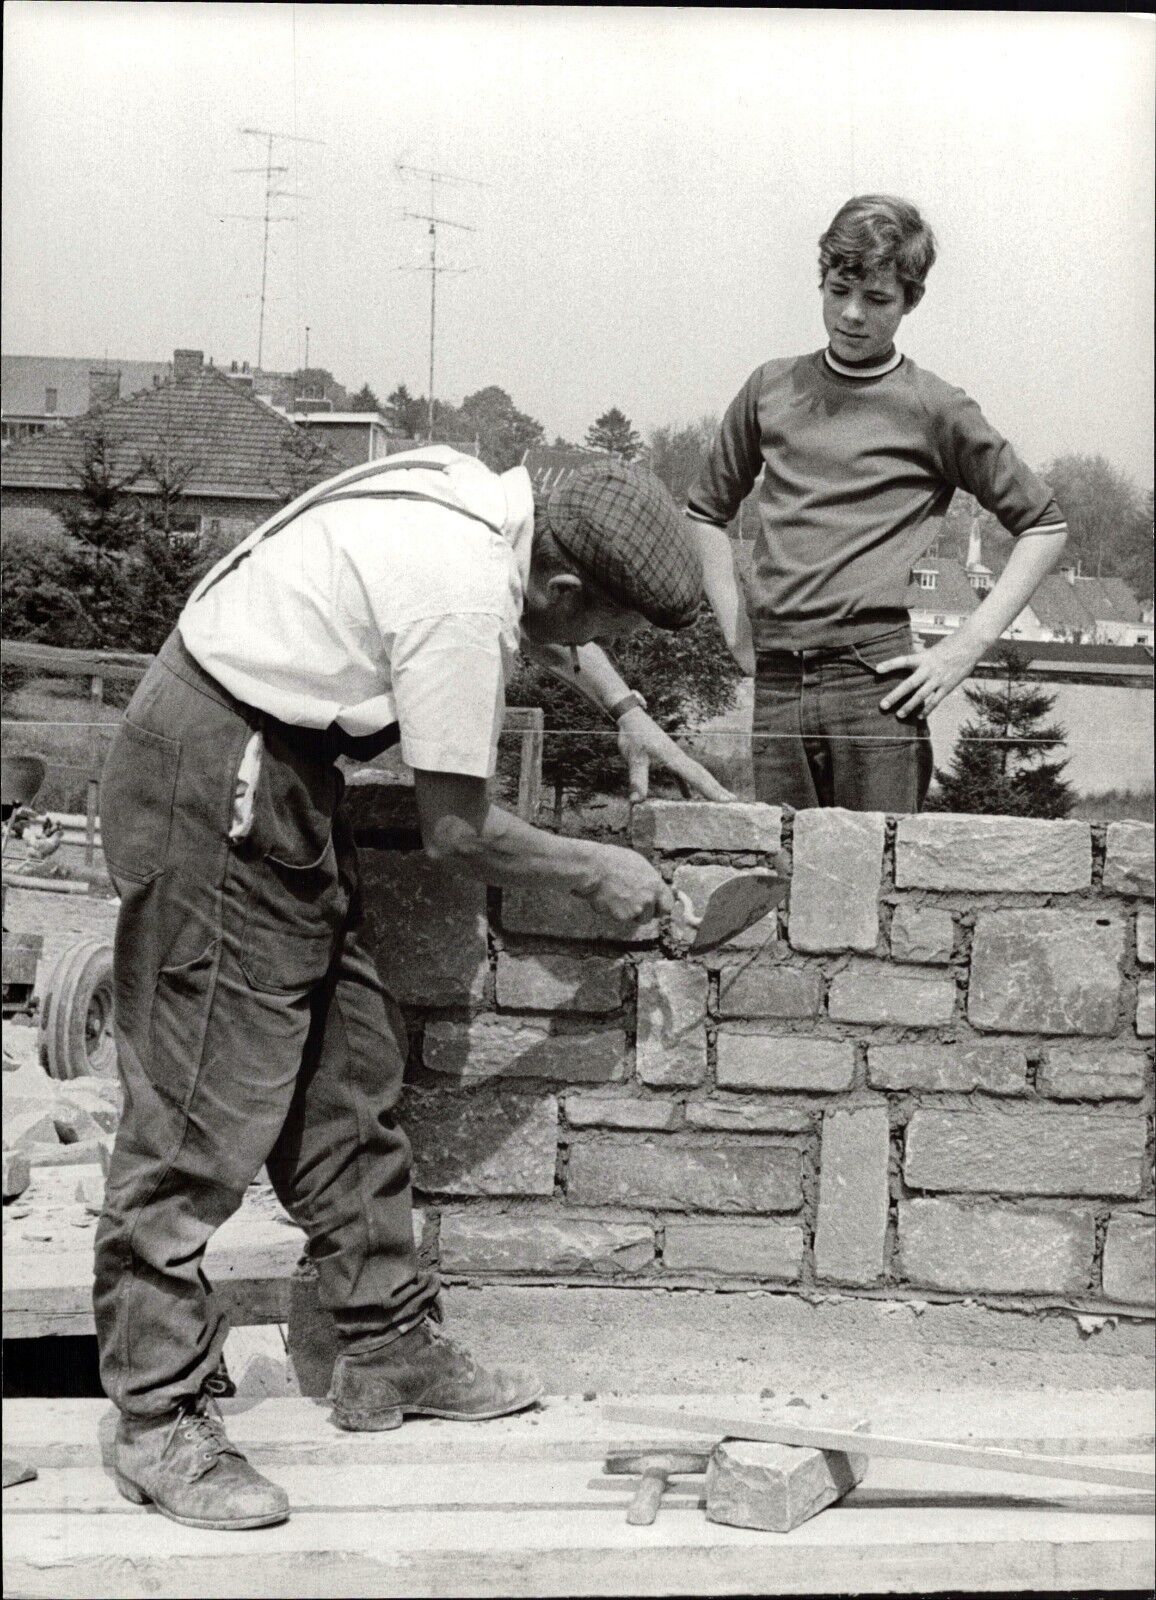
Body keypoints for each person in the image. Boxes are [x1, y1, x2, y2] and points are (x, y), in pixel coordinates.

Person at [93, 446, 732, 1531]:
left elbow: (537, 613)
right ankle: (156, 1417)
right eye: (598, 633)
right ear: (563, 590)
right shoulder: (460, 594)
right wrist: (599, 871)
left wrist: (624, 706)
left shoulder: (480, 499)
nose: (587, 650)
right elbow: (456, 827)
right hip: (216, 777)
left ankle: (384, 1347)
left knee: (347, 1072)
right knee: (200, 1108)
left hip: (277, 772)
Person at [685, 193, 1069, 812]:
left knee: (878, 883)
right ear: (823, 282)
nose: (853, 314)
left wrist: (962, 649)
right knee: (787, 874)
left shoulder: (935, 406)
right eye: (838, 291)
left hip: (877, 680)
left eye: (878, 300)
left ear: (912, 299)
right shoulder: (769, 387)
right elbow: (703, 511)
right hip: (778, 677)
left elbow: (1046, 526)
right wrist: (735, 628)